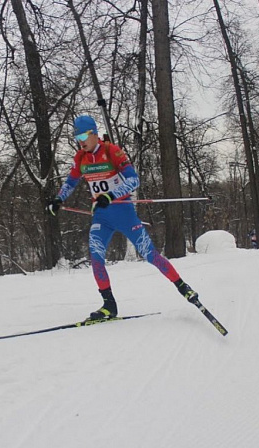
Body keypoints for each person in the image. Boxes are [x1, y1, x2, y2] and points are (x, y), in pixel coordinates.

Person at [47, 115, 198, 320]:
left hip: (124, 213)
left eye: (83, 135)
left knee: (150, 254)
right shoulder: (80, 158)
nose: (80, 140)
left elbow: (133, 180)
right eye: (77, 136)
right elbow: (71, 182)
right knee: (96, 257)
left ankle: (183, 287)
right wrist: (58, 199)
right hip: (101, 217)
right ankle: (109, 306)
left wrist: (110, 195)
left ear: (93, 133)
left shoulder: (111, 151)